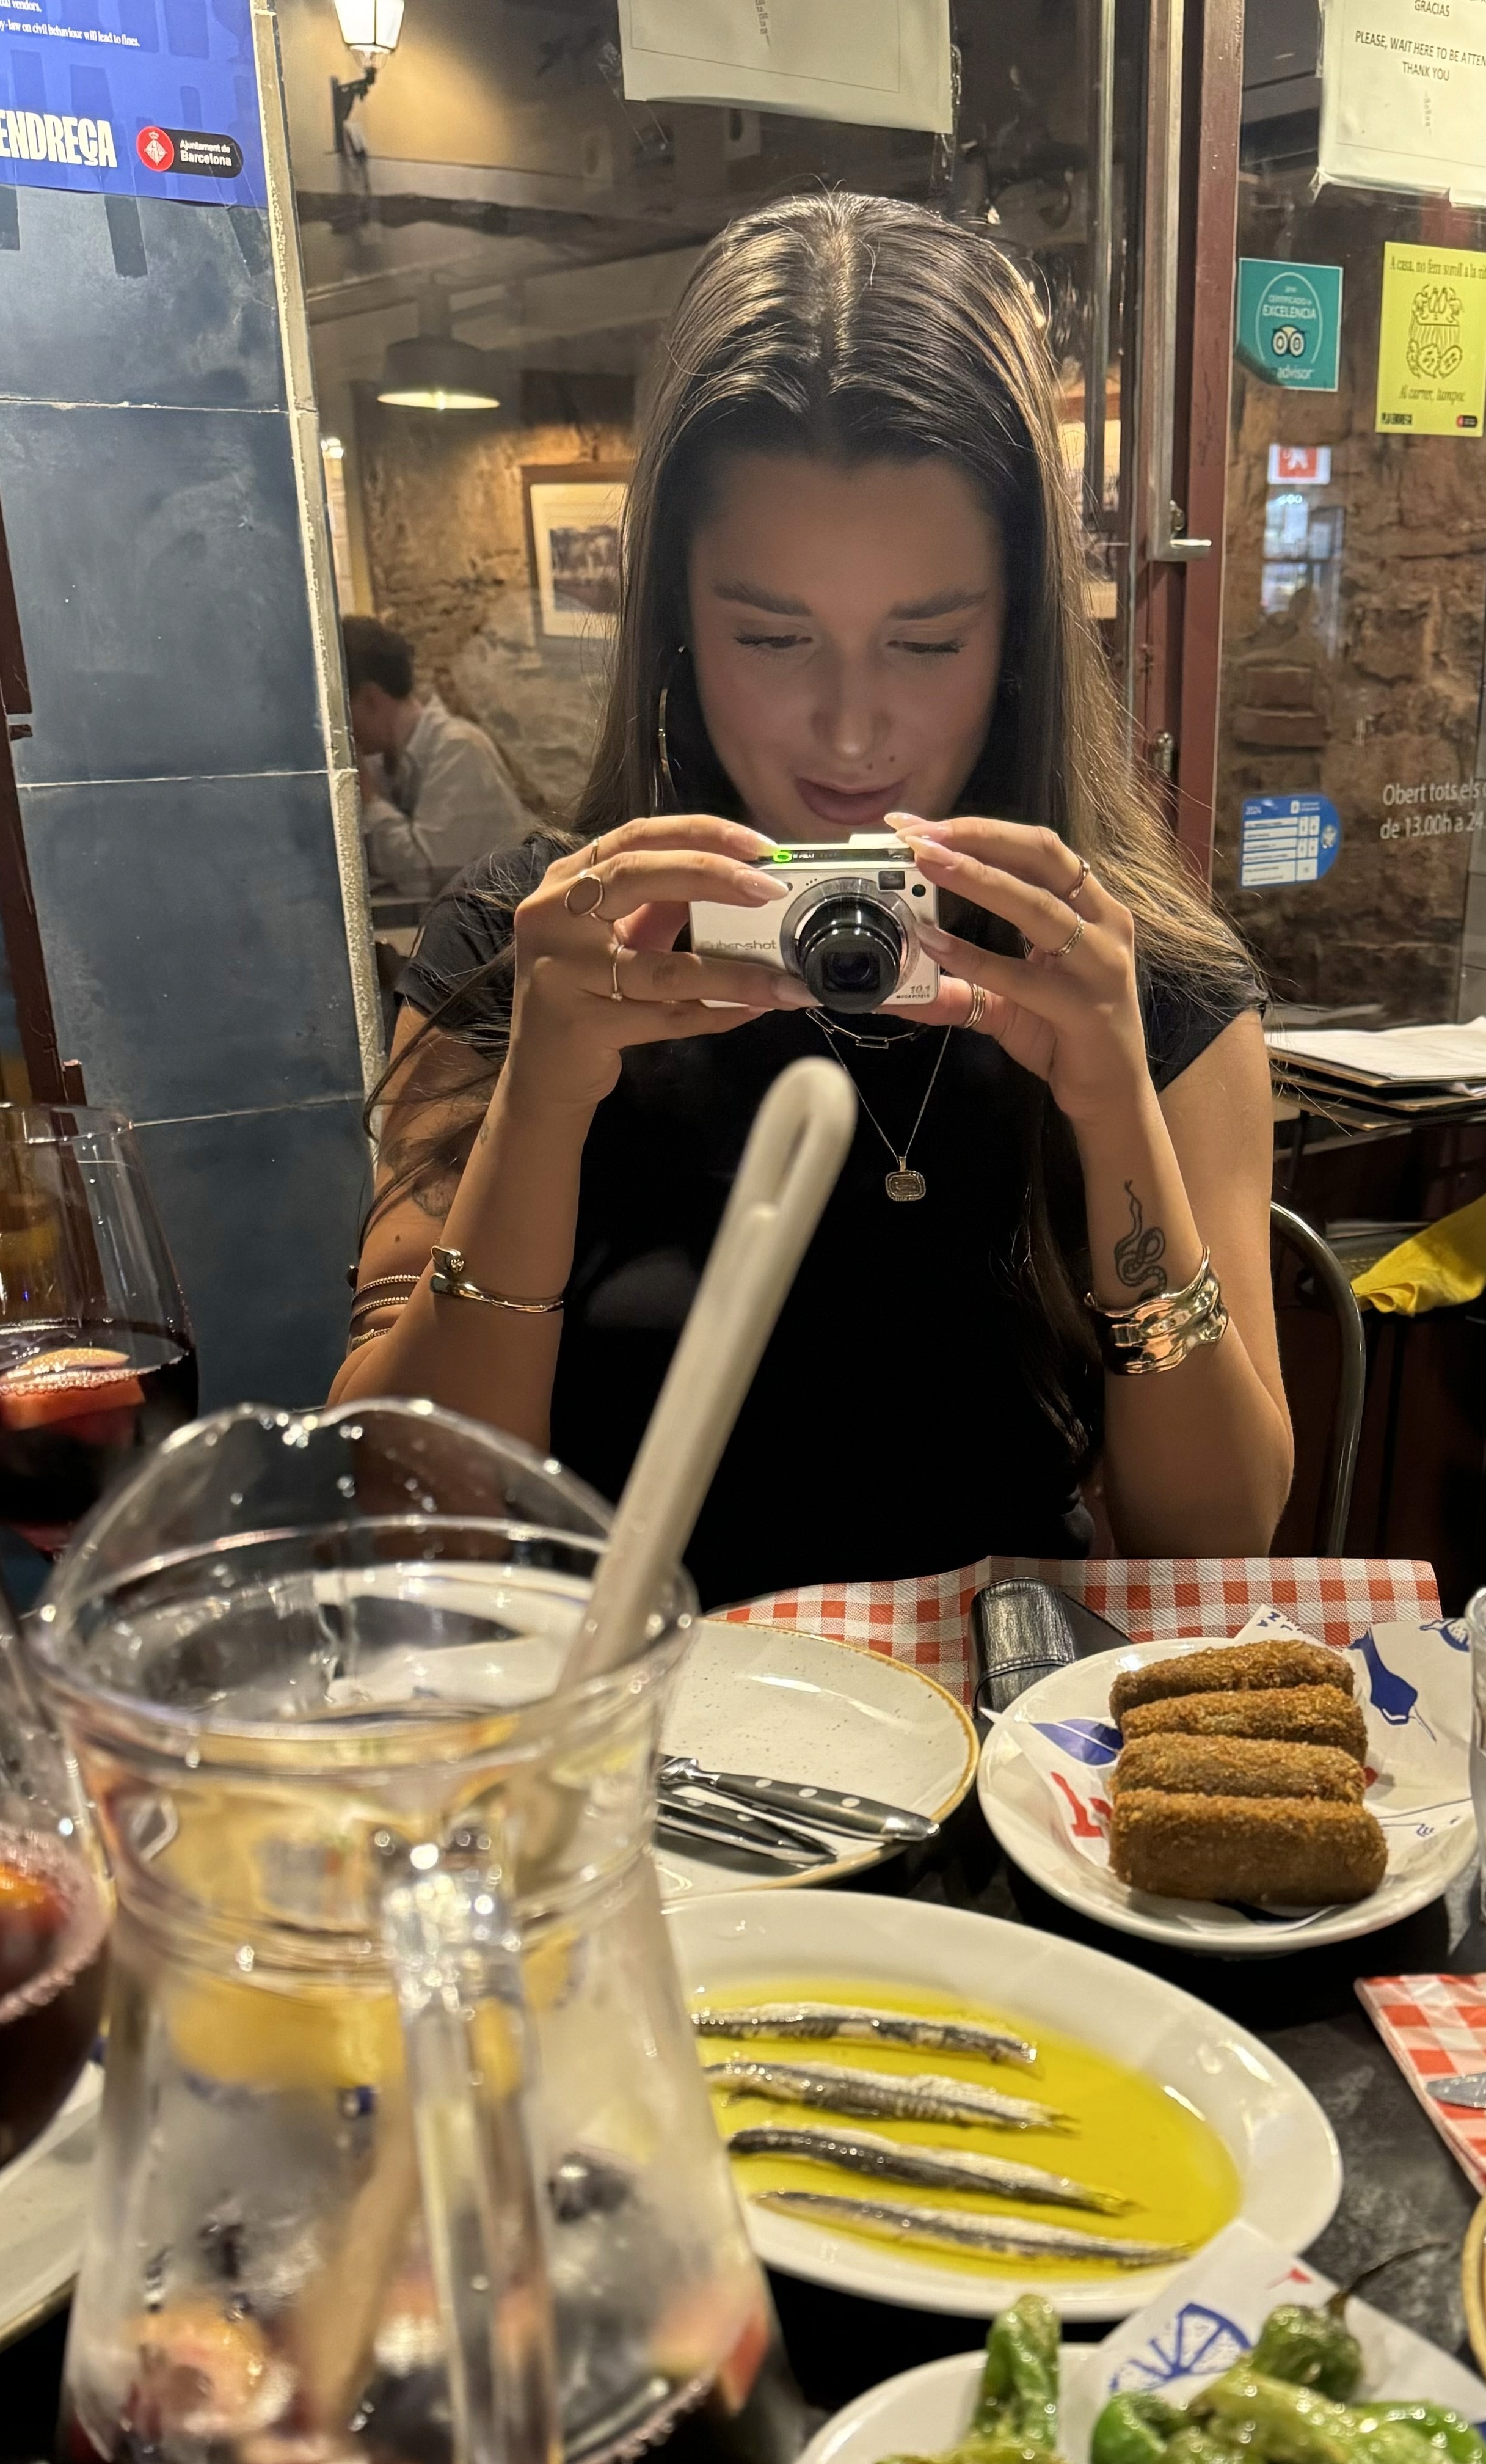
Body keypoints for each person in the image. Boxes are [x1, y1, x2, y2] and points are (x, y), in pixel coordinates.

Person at [331, 194, 1292, 1607]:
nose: (853, 731)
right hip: (624, 1761)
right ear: (673, 620)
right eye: (773, 635)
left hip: (997, 1770)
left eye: (926, 639)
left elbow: (1215, 1545)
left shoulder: (1143, 986)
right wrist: (541, 1108)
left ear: (1019, 633)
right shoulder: (524, 953)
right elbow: (416, 1526)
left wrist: (1114, 1108)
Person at [343, 615, 533, 901]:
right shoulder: (385, 761)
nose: (344, 726)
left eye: (344, 709)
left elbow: (425, 877)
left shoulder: (458, 749)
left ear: (371, 698)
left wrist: (369, 798)